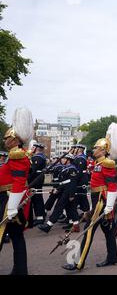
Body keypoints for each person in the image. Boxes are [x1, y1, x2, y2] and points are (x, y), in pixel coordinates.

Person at [62, 123, 117, 271]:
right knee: (108, 232)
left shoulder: (107, 163)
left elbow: (112, 186)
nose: (94, 149)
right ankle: (113, 257)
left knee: (88, 230)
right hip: (97, 199)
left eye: (96, 148)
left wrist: (109, 206)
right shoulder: (97, 163)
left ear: (103, 150)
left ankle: (78, 263)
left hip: (102, 201)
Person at [0, 107, 34, 275]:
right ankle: (20, 270)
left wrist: (12, 207)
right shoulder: (15, 153)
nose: (5, 140)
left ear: (14, 140)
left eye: (7, 138)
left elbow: (19, 181)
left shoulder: (17, 154)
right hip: (10, 197)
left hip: (9, 199)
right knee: (16, 236)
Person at [38, 153, 80, 233]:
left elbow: (72, 183)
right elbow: (63, 182)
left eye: (64, 159)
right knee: (71, 208)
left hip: (68, 191)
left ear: (68, 160)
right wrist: (57, 189)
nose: (62, 160)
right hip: (64, 190)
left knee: (58, 207)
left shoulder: (72, 169)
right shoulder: (65, 168)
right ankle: (76, 226)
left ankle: (48, 225)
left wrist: (71, 195)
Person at [28, 142, 47, 225]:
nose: (31, 149)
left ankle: (40, 217)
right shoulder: (41, 157)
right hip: (38, 178)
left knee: (36, 198)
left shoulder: (37, 157)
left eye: (33, 148)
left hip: (35, 179)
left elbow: (33, 170)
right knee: (38, 197)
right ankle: (41, 215)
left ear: (36, 148)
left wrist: (28, 179)